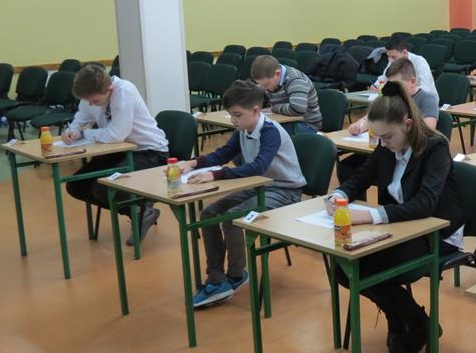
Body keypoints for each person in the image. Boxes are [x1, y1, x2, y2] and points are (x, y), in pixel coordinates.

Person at [327, 81, 465, 353]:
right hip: (399, 227)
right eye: (379, 137)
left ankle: (413, 321)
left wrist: (369, 215)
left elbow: (425, 204)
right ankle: (407, 317)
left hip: (436, 232)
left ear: (408, 125)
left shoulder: (435, 147)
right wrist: (338, 195)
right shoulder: (387, 146)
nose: (383, 143)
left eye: (388, 136)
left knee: (367, 267)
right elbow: (360, 177)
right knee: (343, 269)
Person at [181, 81, 306, 307]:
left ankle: (236, 274)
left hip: (285, 190)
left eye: (237, 115)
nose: (233, 120)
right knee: (209, 214)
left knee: (232, 220)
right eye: (231, 115)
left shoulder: (270, 131)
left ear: (256, 111)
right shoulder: (243, 129)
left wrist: (217, 175)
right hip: (259, 186)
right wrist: (194, 163)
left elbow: (258, 166)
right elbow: (223, 154)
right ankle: (216, 277)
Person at [63, 63, 168, 245]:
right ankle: (140, 211)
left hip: (150, 153)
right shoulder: (90, 95)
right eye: (87, 100)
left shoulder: (124, 91)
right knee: (76, 186)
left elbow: (115, 135)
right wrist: (71, 132)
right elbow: (79, 121)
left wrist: (86, 132)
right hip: (120, 150)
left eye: (95, 101)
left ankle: (140, 211)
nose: (90, 104)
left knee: (104, 188)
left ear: (109, 89)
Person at [338, 58, 439, 181]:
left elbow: (428, 130)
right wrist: (359, 127)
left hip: (412, 154)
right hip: (388, 150)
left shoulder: (427, 99)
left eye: (396, 85)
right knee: (346, 167)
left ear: (412, 81)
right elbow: (373, 117)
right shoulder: (392, 98)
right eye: (389, 84)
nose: (392, 88)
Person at [250, 55, 322, 134]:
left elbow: (298, 109)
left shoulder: (295, 80)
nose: (264, 88)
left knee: (265, 132)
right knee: (249, 126)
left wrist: (272, 109)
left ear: (277, 73)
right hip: (284, 121)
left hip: (306, 125)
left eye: (266, 84)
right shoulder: (271, 79)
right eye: (261, 84)